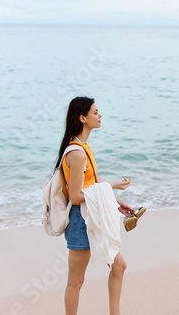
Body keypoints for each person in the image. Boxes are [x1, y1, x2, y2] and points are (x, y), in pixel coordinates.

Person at [54, 96, 133, 315]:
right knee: (76, 281)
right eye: (95, 112)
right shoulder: (77, 153)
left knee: (119, 266)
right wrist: (113, 185)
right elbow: (76, 196)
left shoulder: (85, 147)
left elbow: (95, 182)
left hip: (94, 215)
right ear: (82, 118)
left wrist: (117, 203)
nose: (100, 116)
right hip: (80, 220)